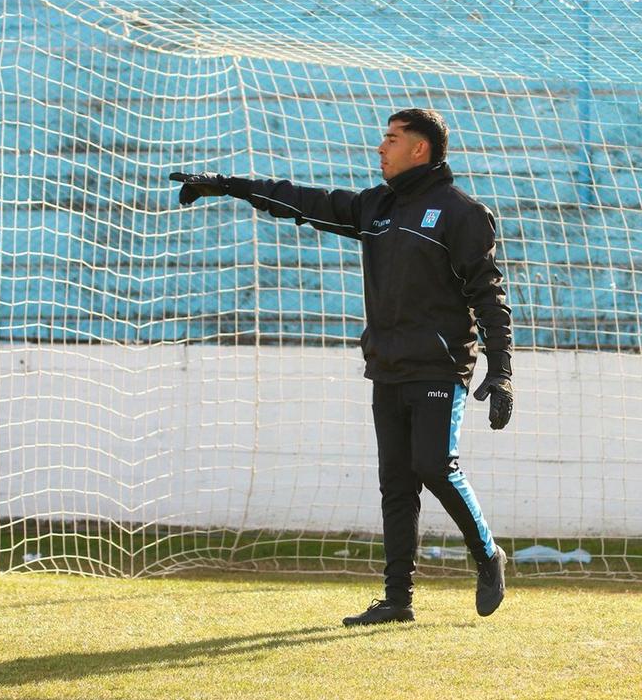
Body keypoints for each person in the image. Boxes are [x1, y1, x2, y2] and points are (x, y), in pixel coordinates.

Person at [172, 109, 514, 625]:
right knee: (396, 482)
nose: (381, 147)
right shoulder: (376, 206)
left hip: (440, 367)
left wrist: (501, 369)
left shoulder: (460, 213)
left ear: (419, 148)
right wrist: (227, 186)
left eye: (392, 139)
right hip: (386, 366)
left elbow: (489, 294)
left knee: (432, 465)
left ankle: (488, 555)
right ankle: (397, 600)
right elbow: (303, 201)